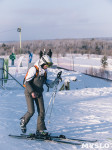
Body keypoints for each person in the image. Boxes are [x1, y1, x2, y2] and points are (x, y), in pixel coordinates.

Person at [20, 52, 57, 136]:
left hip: (39, 92)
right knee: (31, 111)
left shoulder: (44, 71)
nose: (47, 67)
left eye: (48, 65)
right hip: (30, 92)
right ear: (42, 63)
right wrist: (32, 92)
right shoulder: (34, 69)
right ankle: (23, 121)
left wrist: (55, 81)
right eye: (46, 65)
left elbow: (46, 82)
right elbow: (26, 82)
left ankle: (40, 130)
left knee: (41, 111)